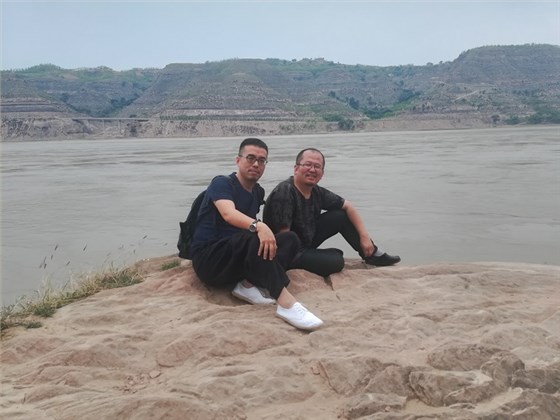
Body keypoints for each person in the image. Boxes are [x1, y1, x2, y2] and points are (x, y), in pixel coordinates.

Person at [190, 138, 323, 331]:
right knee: (253, 234)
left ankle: (246, 284)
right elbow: (228, 214)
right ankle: (286, 304)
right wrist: (259, 226)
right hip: (210, 260)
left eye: (261, 160)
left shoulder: (257, 192)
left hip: (236, 260)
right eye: (250, 158)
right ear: (238, 160)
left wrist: (261, 230)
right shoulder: (222, 183)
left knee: (290, 239)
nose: (256, 164)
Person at [263, 147, 400, 278]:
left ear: (322, 173)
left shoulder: (316, 191)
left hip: (305, 241)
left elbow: (348, 206)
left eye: (317, 166)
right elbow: (286, 240)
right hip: (285, 252)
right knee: (336, 261)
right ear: (296, 168)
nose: (312, 169)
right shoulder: (285, 192)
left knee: (340, 216)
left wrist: (365, 238)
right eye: (308, 165)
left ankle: (371, 254)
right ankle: (327, 255)